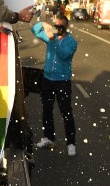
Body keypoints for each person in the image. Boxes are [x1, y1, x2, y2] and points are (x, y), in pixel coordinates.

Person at [31, 13, 79, 156]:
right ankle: (49, 138)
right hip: (47, 79)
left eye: (61, 27)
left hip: (62, 82)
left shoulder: (71, 42)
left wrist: (53, 40)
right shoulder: (50, 36)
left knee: (66, 113)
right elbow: (34, 30)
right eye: (56, 26)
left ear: (67, 26)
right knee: (47, 110)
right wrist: (43, 25)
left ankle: (71, 143)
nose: (58, 29)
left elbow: (64, 55)